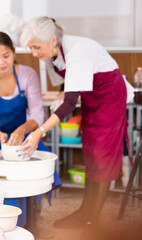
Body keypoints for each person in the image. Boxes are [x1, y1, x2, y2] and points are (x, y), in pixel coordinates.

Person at [20, 16, 134, 237]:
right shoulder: (54, 53)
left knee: (101, 156)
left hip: (109, 96)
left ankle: (92, 219)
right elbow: (67, 85)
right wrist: (60, 96)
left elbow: (70, 104)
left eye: (36, 47)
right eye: (30, 48)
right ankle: (85, 212)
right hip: (92, 97)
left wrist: (39, 131)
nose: (33, 53)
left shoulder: (77, 53)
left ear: (53, 40)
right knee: (91, 152)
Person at [0, 31, 61, 227]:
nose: (1, 63)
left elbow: (37, 115)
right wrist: (0, 136)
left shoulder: (27, 75)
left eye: (6, 56)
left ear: (14, 52)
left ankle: (32, 210)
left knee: (41, 158)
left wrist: (22, 130)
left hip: (18, 134)